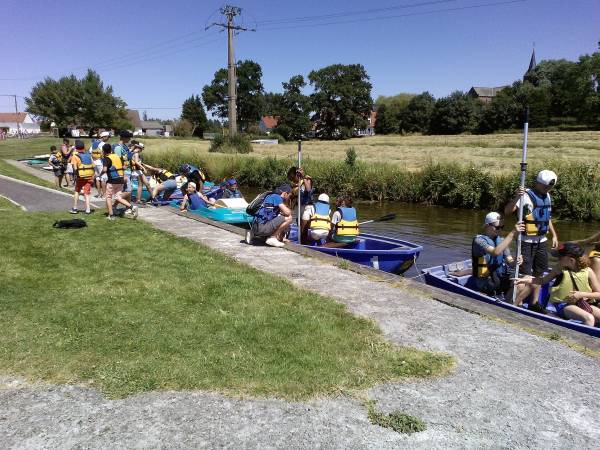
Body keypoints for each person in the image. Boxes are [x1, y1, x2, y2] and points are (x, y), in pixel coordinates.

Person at [504, 169, 559, 306]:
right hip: (525, 241)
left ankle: (534, 304)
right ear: (538, 183)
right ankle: (518, 302)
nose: (547, 189)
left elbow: (547, 218)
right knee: (525, 275)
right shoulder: (525, 195)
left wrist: (554, 235)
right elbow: (507, 211)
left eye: (549, 187)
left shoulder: (547, 196)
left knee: (539, 273)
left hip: (541, 240)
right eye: (545, 186)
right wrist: (517, 197)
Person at [514, 242, 600, 327]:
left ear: (571, 260)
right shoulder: (558, 269)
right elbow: (542, 280)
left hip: (583, 304)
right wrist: (526, 280)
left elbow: (598, 294)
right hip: (564, 305)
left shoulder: (588, 271)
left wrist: (582, 294)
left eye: (560, 257)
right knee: (589, 318)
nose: (558, 259)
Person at [470, 212, 525, 301]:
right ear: (487, 226)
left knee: (521, 283)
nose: (500, 230)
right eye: (497, 227)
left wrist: (516, 261)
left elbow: (510, 261)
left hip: (500, 277)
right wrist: (512, 233)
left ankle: (507, 304)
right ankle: (506, 304)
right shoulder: (479, 241)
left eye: (502, 227)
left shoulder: (502, 241)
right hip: (486, 280)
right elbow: (495, 252)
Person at [101, 143, 138, 221]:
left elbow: (104, 169)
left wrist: (99, 175)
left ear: (104, 151)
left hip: (112, 180)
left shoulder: (106, 158)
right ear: (111, 150)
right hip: (121, 179)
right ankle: (132, 207)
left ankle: (111, 215)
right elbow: (123, 167)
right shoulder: (117, 156)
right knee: (118, 197)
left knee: (108, 197)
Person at [287, 166, 314, 241]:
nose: (292, 181)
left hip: (307, 207)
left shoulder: (307, 179)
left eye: (293, 178)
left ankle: (304, 243)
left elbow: (308, 189)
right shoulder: (296, 184)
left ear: (297, 175)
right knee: (298, 224)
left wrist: (303, 178)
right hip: (299, 206)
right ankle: (302, 239)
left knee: (303, 227)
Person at [69, 140, 95, 214]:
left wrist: (75, 176)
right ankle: (88, 209)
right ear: (83, 147)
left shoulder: (75, 156)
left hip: (80, 177)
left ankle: (75, 208)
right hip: (89, 176)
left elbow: (75, 168)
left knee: (77, 191)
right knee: (86, 193)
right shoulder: (89, 155)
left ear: (76, 148)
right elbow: (93, 166)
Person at [90, 131, 110, 198]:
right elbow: (104, 153)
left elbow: (90, 152)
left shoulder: (94, 143)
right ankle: (104, 195)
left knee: (98, 178)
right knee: (103, 178)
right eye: (107, 137)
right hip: (100, 162)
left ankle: (99, 194)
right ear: (104, 137)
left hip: (94, 162)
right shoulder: (102, 144)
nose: (108, 138)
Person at [113, 131, 133, 195]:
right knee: (128, 190)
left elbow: (128, 157)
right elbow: (117, 160)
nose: (129, 139)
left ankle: (127, 205)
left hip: (128, 170)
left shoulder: (124, 146)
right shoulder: (118, 147)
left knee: (125, 189)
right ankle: (114, 203)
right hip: (123, 171)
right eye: (128, 137)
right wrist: (121, 168)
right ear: (124, 138)